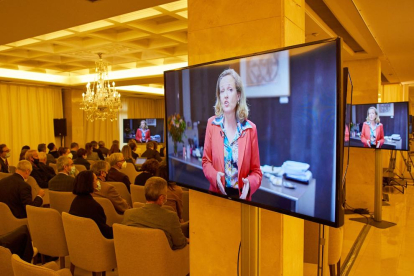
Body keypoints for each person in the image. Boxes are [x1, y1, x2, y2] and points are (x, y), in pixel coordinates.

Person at [202, 69, 262, 201]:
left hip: (241, 198)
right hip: (216, 195)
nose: (225, 95)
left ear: (238, 95)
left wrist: (249, 185)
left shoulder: (250, 129)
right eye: (222, 91)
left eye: (230, 89)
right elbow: (206, 161)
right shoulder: (212, 124)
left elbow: (257, 172)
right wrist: (215, 176)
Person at [122, 177, 187, 250]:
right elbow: (180, 244)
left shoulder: (128, 214)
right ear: (161, 198)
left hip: (134, 257)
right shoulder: (171, 216)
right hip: (165, 259)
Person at [69, 171, 113, 239]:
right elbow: (104, 232)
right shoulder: (94, 206)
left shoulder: (75, 202)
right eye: (96, 179)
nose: (98, 182)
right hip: (97, 242)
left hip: (80, 240)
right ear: (89, 183)